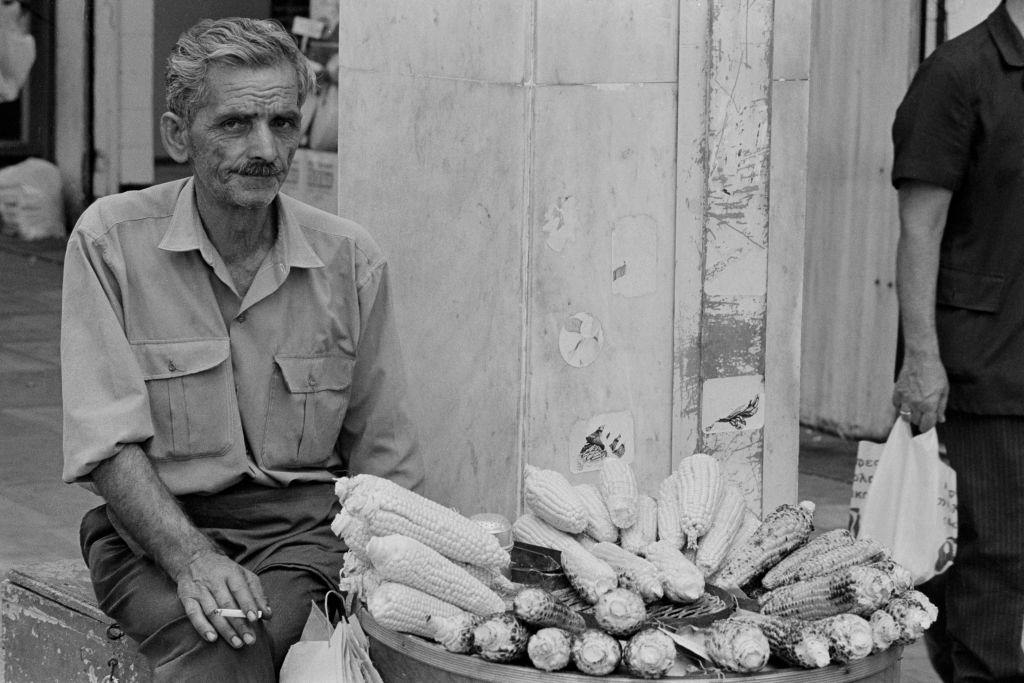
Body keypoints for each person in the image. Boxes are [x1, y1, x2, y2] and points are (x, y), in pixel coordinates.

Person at [60, 17, 424, 681]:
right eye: (234, 124)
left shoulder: (351, 261)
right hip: (150, 537)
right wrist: (191, 557)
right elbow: (106, 445)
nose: (264, 147)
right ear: (178, 136)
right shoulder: (108, 242)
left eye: (282, 123)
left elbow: (385, 461)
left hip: (302, 541)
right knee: (226, 637)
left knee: (244, 636)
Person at [891, 1, 1024, 680]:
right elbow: (920, 227)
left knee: (986, 565)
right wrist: (921, 360)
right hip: (978, 371)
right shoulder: (959, 73)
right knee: (992, 559)